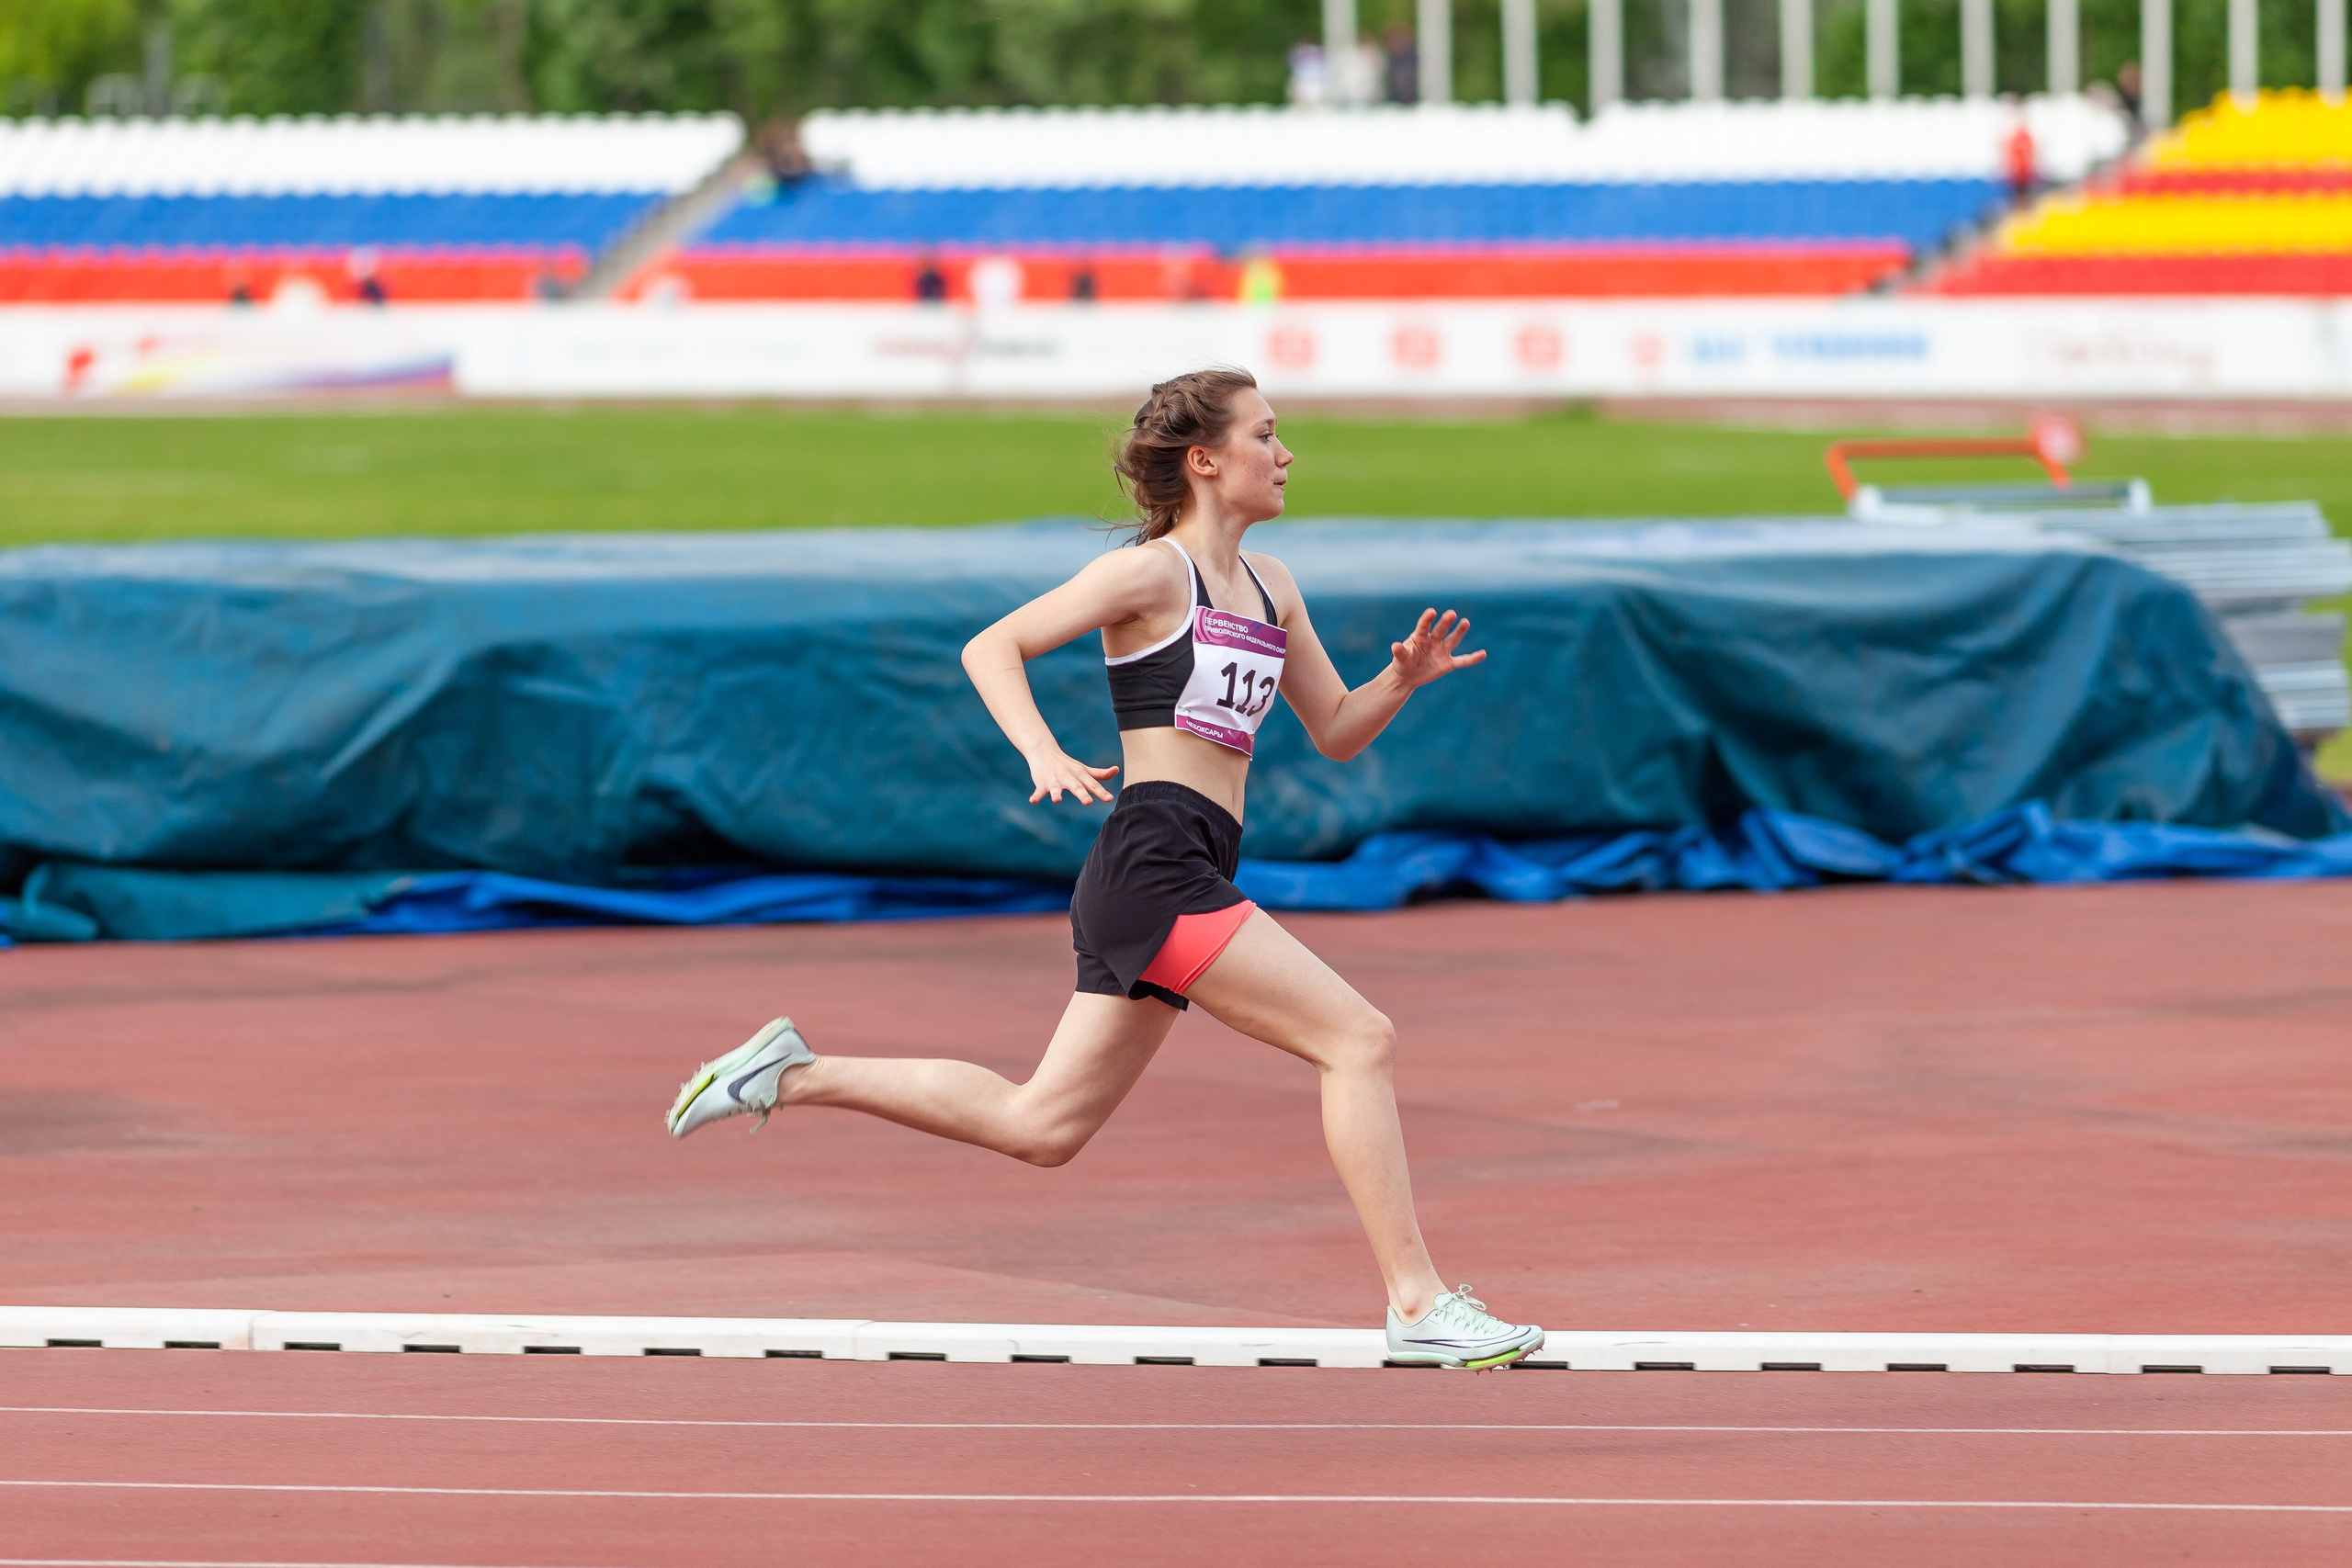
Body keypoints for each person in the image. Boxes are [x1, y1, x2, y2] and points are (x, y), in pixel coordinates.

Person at [665, 367, 1544, 1371]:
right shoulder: (1151, 576)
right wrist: (1040, 750)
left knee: (1041, 1124)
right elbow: (992, 647)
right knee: (1358, 1037)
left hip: (1190, 860)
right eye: (1265, 435)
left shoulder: (1274, 585)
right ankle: (1417, 1301)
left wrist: (1399, 679)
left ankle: (791, 1073)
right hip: (1155, 861)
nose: (1285, 453)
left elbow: (1337, 729)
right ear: (1205, 459)